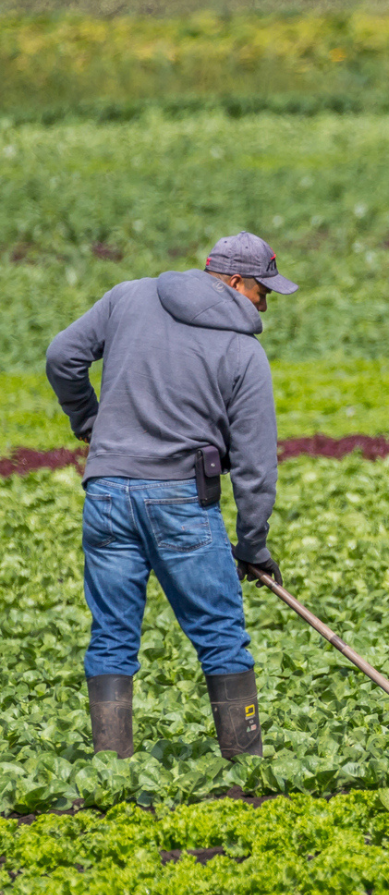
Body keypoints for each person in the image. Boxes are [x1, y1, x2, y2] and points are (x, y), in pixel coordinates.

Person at [46, 232, 296, 759]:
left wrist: (90, 422)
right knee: (221, 634)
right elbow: (255, 467)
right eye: (262, 290)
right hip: (181, 501)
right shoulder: (244, 353)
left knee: (112, 635)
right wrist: (252, 547)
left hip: (107, 495)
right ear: (233, 281)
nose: (266, 302)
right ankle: (249, 768)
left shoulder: (127, 296)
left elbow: (62, 356)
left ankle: (110, 768)